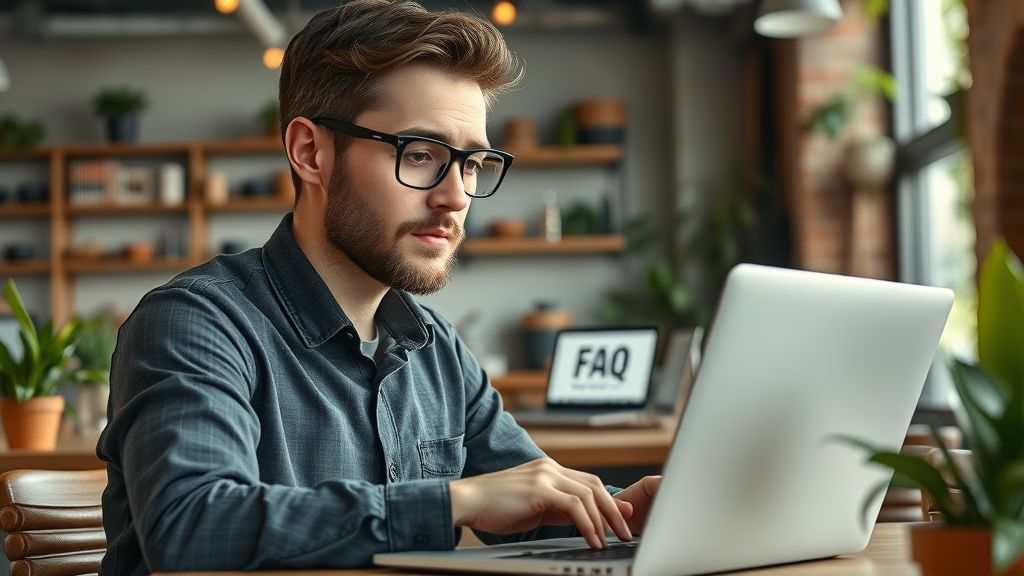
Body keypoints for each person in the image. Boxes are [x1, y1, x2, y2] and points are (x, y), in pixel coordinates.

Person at [96, 1, 660, 574]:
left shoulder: (434, 347)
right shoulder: (194, 323)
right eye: (420, 155)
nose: (457, 197)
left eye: (471, 164)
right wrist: (456, 500)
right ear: (310, 152)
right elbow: (191, 529)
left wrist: (626, 513)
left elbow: (533, 500)